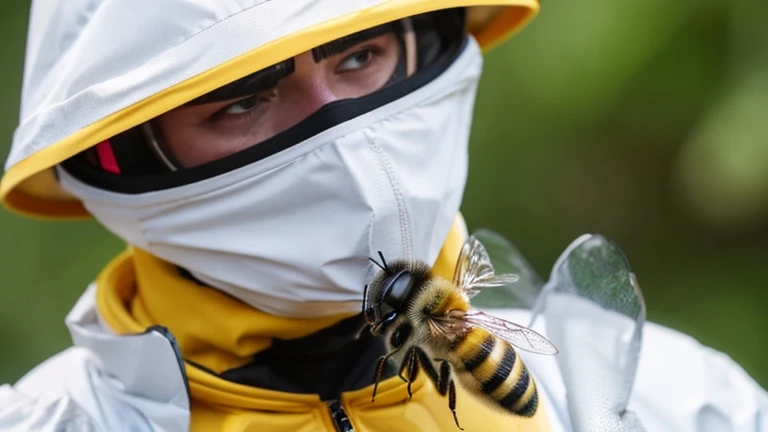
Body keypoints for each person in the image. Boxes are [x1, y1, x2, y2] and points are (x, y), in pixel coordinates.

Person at [0, 2, 765, 431]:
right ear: (125, 153)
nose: (340, 137)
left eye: (359, 58)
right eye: (241, 101)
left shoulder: (673, 402)